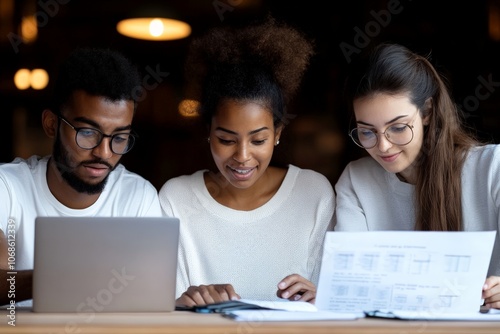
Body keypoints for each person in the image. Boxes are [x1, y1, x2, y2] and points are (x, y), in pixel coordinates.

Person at [158, 16, 334, 307]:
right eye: (227, 140)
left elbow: (334, 303)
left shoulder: (313, 193)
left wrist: (324, 298)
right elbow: (163, 306)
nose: (242, 156)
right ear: (208, 133)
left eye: (258, 140)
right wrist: (183, 302)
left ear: (278, 133)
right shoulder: (176, 199)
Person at [334, 42, 500, 309]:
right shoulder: (358, 180)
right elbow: (352, 282)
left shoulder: (491, 168)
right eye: (367, 132)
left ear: (427, 111)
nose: (383, 146)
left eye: (398, 127)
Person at [0, 48, 162, 306]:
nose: (104, 153)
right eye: (88, 132)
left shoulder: (138, 197)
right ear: (51, 124)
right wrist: (59, 277)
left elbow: (152, 296)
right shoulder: (7, 186)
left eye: (119, 138)